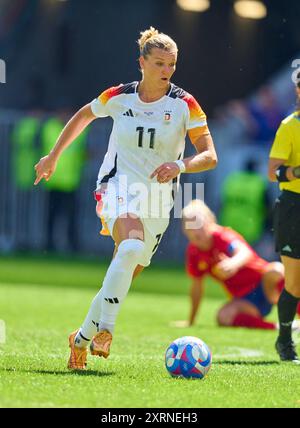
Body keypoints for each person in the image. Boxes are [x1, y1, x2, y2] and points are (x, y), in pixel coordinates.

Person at [33, 27, 217, 370]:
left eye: (172, 64)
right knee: (130, 248)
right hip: (117, 188)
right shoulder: (119, 96)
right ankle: (107, 330)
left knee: (123, 271)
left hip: (158, 202)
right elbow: (84, 115)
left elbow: (209, 155)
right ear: (142, 62)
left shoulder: (184, 103)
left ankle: (80, 340)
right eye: (160, 63)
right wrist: (54, 155)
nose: (167, 70)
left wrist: (178, 165)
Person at [178, 199, 300, 331]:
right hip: (246, 300)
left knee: (276, 270)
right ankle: (281, 328)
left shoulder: (222, 236)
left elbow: (244, 252)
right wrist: (191, 320)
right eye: (189, 226)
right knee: (223, 316)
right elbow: (197, 287)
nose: (196, 231)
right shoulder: (193, 252)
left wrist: (232, 263)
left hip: (265, 285)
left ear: (210, 222)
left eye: (199, 224)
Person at [268, 72, 300, 362]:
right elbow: (273, 171)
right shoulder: (290, 127)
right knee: (294, 283)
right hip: (293, 207)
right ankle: (284, 340)